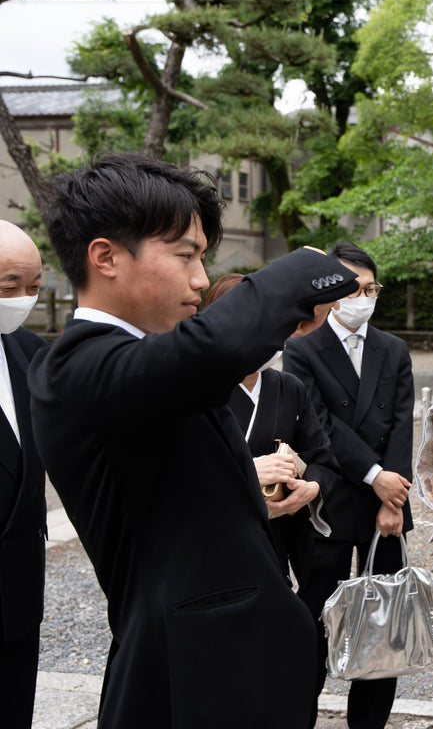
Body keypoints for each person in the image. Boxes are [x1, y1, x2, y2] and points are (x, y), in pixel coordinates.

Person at [27, 152, 359, 728]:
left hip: (230, 664)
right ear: (105, 256)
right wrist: (308, 270)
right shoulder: (76, 364)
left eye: (203, 258)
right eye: (186, 256)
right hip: (190, 678)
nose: (201, 280)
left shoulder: (142, 361)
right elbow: (216, 349)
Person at [283, 241, 415, 729]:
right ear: (331, 294)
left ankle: (369, 722)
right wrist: (375, 476)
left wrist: (394, 496)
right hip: (331, 498)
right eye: (352, 288)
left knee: (384, 620)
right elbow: (320, 426)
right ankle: (298, 710)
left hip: (388, 506)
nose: (363, 296)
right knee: (317, 612)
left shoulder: (393, 348)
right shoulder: (301, 348)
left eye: (370, 288)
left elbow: (402, 425)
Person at [204, 273, 339, 576]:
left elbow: (323, 458)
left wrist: (312, 487)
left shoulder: (288, 387)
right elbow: (179, 473)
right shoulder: (198, 390)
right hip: (217, 542)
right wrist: (248, 472)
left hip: (280, 538)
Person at [0, 220, 48, 729]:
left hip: (19, 590)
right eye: (10, 285)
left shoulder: (30, 352)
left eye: (34, 286)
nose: (23, 298)